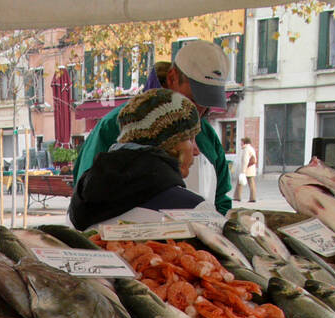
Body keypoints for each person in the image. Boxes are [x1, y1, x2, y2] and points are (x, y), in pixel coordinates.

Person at [74, 42, 232, 215]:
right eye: (194, 99)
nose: (200, 111)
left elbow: (221, 199)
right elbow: (86, 196)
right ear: (172, 78)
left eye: (207, 104)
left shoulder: (207, 134)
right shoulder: (116, 125)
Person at [68, 89, 203, 231]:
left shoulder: (79, 201)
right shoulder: (194, 212)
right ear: (172, 145)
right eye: (190, 138)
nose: (196, 151)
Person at [237, 137, 257, 203]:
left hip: (247, 169)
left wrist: (243, 171)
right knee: (252, 184)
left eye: (241, 142)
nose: (240, 143)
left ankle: (237, 197)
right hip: (251, 169)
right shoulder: (251, 148)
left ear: (244, 142)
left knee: (240, 182)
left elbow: (245, 160)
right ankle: (253, 197)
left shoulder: (246, 149)